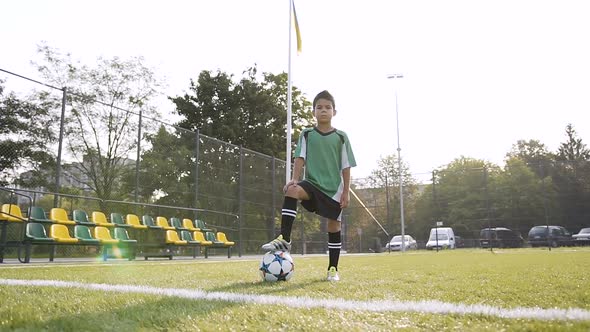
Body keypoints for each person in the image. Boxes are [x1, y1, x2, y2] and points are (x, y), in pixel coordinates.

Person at [261, 90, 356, 281]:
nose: (323, 110)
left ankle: (332, 269)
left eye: (327, 107)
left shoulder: (341, 137)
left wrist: (346, 192)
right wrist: (294, 179)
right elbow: (300, 158)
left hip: (333, 190)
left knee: (334, 226)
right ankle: (285, 239)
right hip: (311, 184)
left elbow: (346, 167)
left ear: (334, 112)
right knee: (292, 190)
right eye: (319, 107)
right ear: (313, 112)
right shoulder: (307, 134)